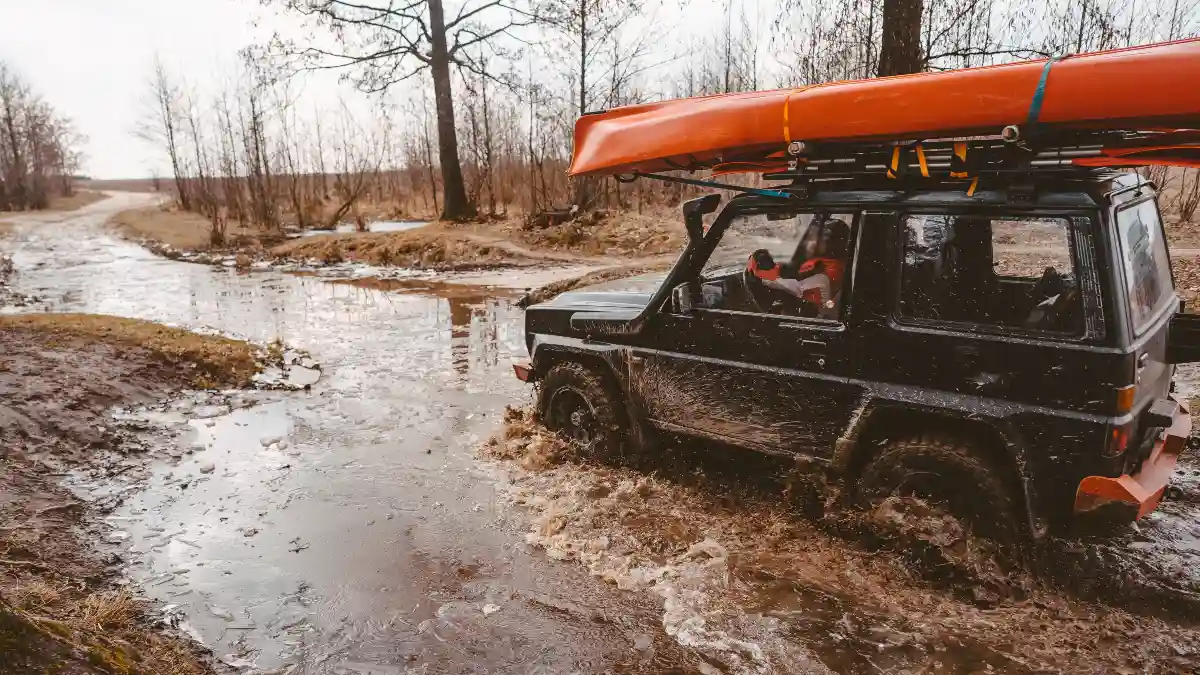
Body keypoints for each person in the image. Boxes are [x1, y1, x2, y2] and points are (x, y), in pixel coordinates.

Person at [746, 217, 849, 318]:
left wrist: (763, 279)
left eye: (812, 238)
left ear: (830, 243)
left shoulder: (827, 269)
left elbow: (796, 288)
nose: (806, 242)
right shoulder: (835, 264)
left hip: (810, 320)